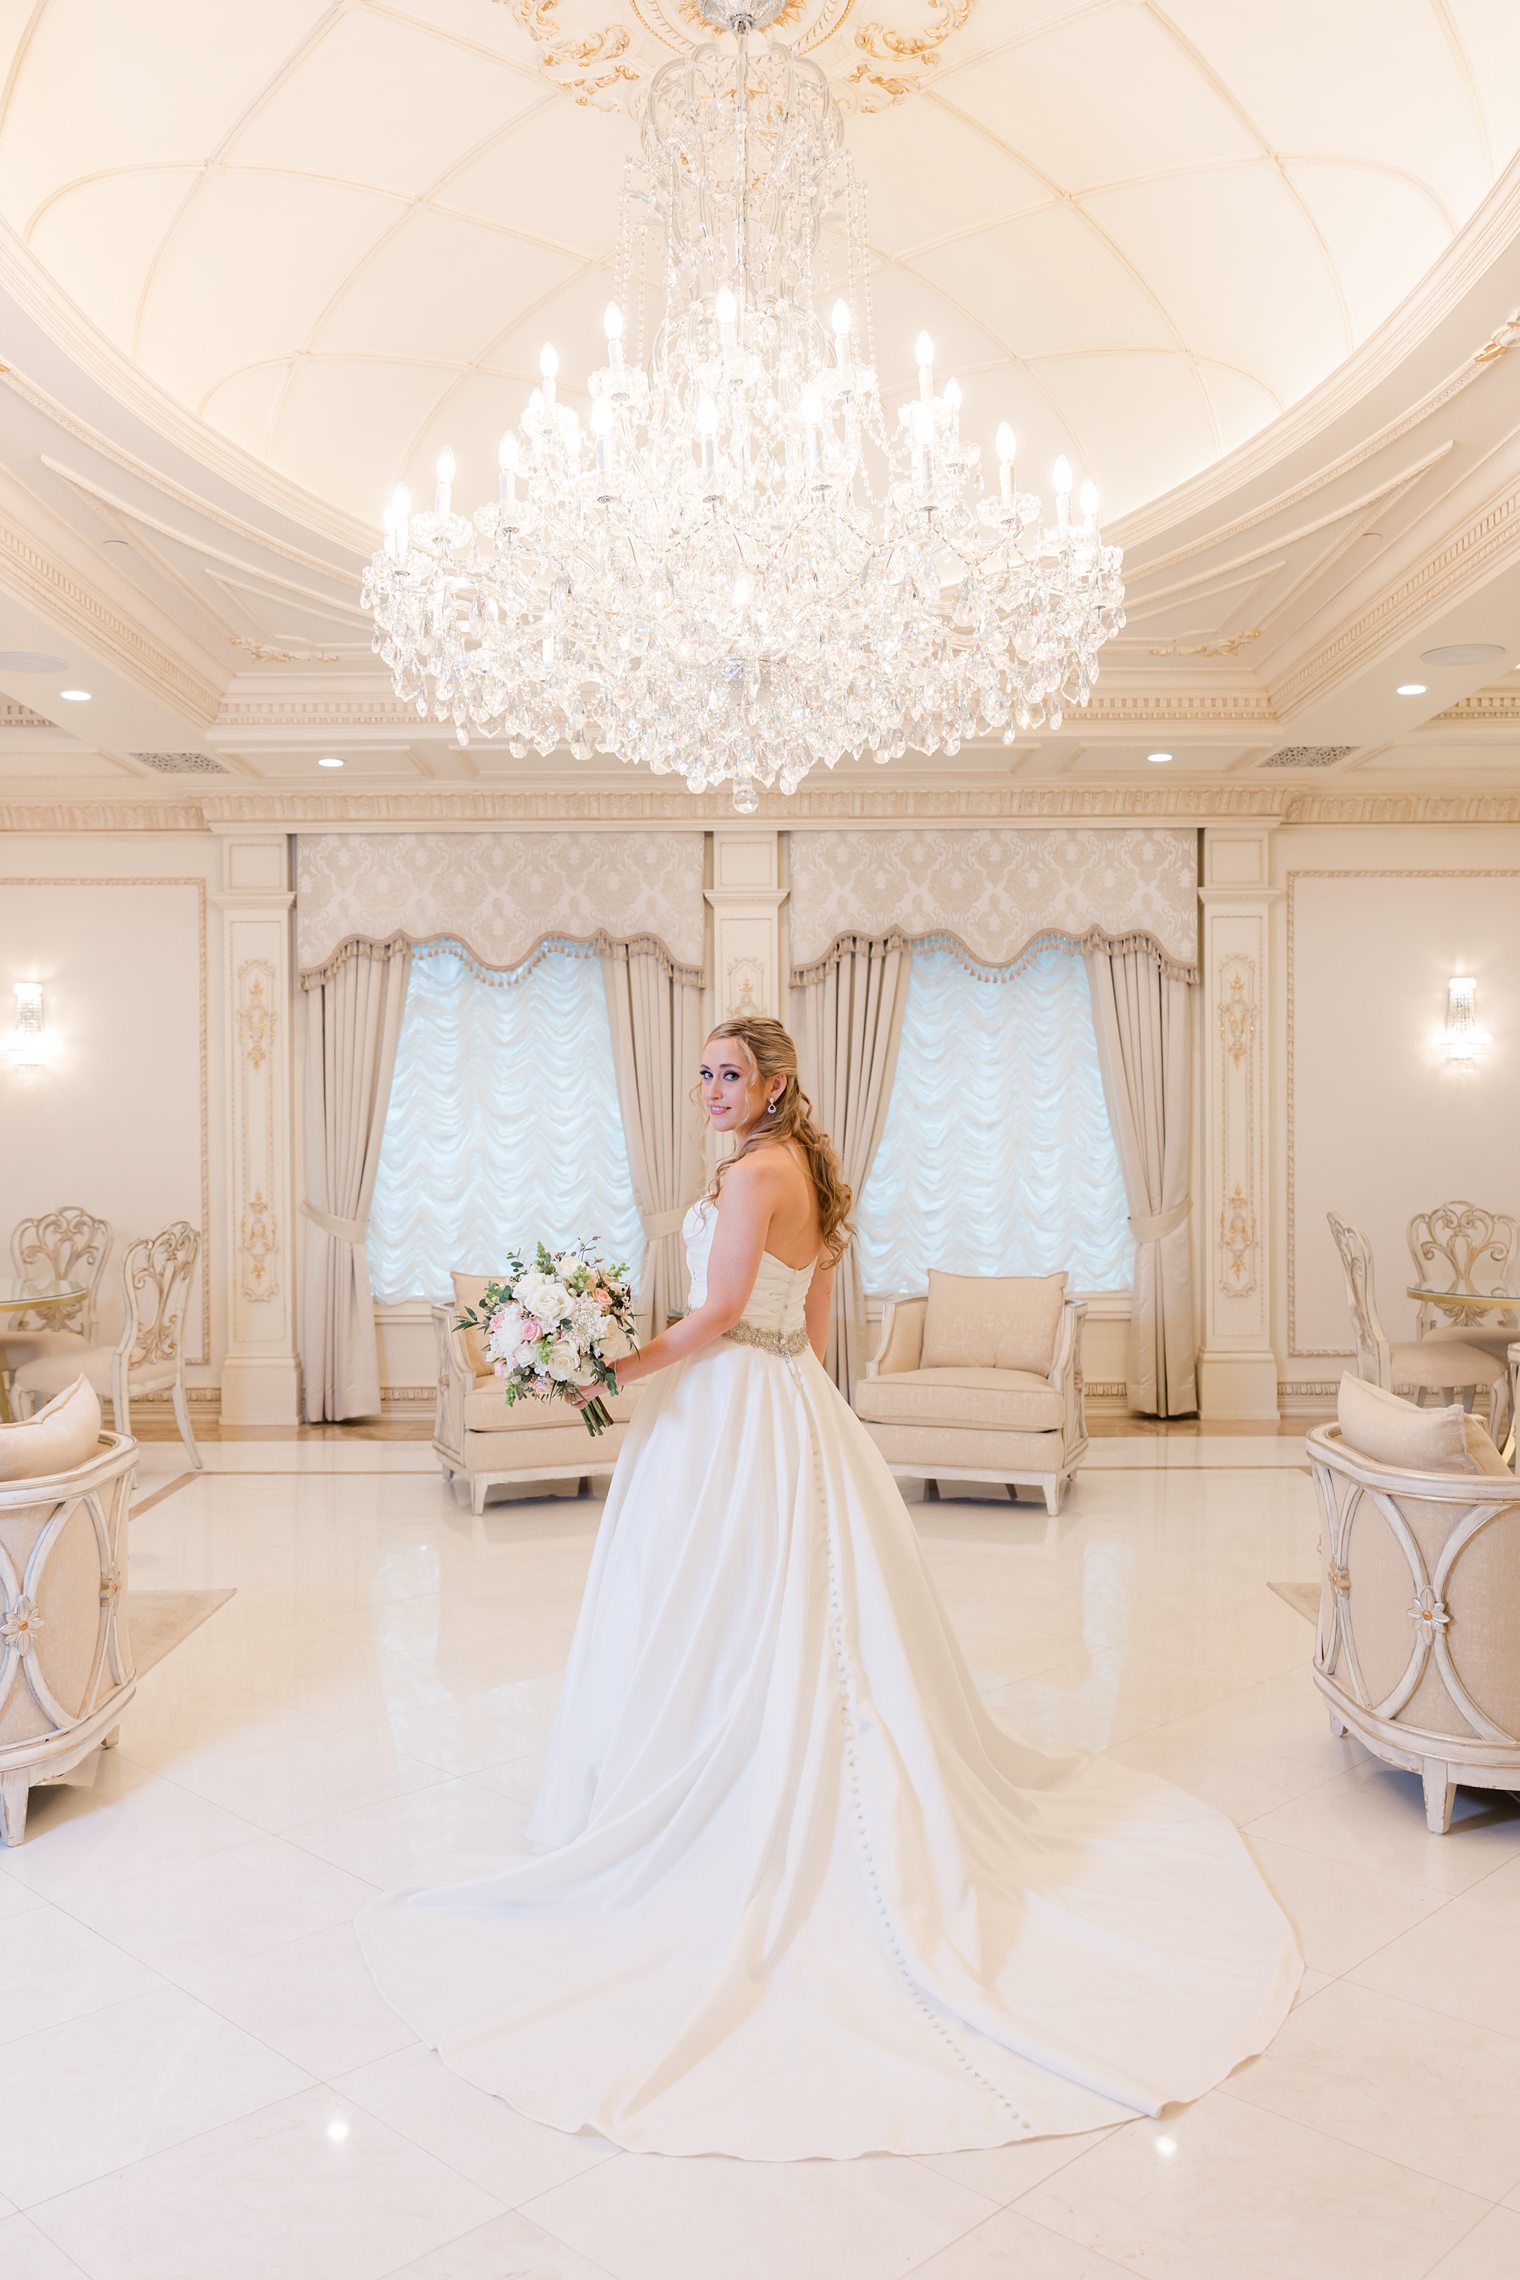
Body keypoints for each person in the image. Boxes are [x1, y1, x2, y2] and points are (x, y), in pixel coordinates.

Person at [358, 1015, 1299, 2159]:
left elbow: (712, 1319)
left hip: (732, 1408)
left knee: (721, 1599)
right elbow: (807, 1329)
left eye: (728, 1073)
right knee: (772, 1602)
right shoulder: (798, 1168)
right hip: (787, 1401)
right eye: (700, 1070)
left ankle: (728, 1793)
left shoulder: (756, 1171)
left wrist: (608, 1368)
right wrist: (789, 1404)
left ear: (772, 1083)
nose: (709, 1087)